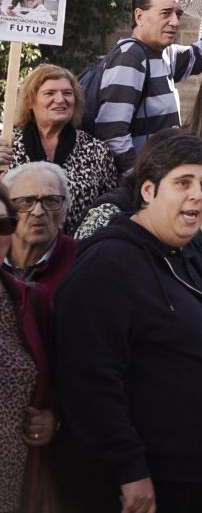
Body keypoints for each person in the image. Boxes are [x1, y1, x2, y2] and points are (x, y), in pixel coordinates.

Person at [53, 129, 202, 512]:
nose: (197, 194)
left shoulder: (190, 253)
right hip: (156, 483)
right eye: (182, 182)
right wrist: (129, 470)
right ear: (148, 191)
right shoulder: (108, 265)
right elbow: (89, 379)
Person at [92, 0, 202, 170]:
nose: (175, 22)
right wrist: (139, 180)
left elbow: (201, 54)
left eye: (178, 14)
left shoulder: (164, 53)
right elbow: (112, 134)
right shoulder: (131, 57)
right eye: (166, 13)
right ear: (139, 16)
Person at [0, 63, 117, 235]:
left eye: (67, 93)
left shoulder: (97, 151)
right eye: (50, 93)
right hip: (17, 253)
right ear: (30, 101)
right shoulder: (6, 144)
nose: (61, 100)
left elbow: (110, 208)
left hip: (78, 254)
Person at [0, 180, 54, 513]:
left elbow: (55, 381)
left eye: (3, 224)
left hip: (15, 488)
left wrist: (52, 419)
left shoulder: (28, 300)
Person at [1, 163, 76, 296]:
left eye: (50, 200)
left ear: (65, 209)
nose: (38, 211)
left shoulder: (83, 261)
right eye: (26, 201)